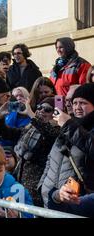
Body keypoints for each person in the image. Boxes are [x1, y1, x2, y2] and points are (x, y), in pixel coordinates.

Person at [0, 97, 60, 207]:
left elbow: (49, 134)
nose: (42, 111)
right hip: (20, 181)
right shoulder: (31, 128)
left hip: (38, 187)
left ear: (56, 113)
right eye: (40, 107)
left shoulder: (57, 130)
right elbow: (7, 133)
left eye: (47, 109)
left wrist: (31, 114)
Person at [43, 83, 94, 213]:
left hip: (81, 203)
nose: (77, 107)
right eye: (75, 103)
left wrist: (68, 125)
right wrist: (43, 187)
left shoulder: (69, 125)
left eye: (83, 103)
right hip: (56, 199)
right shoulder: (68, 125)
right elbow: (51, 158)